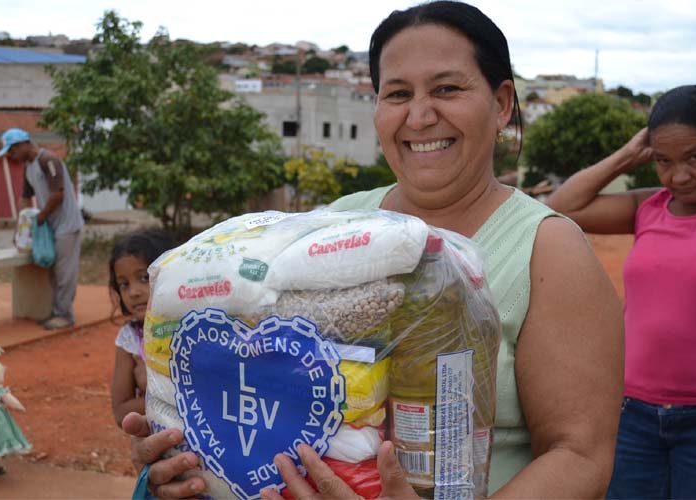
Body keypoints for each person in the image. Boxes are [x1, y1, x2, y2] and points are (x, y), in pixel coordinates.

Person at [124, 2, 625, 498]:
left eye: (447, 89)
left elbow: (580, 456)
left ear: (501, 104)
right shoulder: (339, 224)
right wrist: (187, 458)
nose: (421, 116)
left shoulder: (547, 248)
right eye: (398, 93)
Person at [548, 85, 696, 499]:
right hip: (633, 418)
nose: (678, 176)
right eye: (664, 161)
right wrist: (627, 156)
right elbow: (563, 205)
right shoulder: (647, 207)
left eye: (694, 157)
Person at [0, 128, 84, 330]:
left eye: (11, 151)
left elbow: (58, 194)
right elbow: (25, 199)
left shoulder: (49, 160)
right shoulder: (29, 168)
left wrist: (40, 217)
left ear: (22, 145)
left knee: (65, 272)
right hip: (52, 226)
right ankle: (56, 311)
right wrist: (21, 228)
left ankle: (65, 315)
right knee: (53, 272)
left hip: (67, 225)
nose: (11, 156)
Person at [109, 230, 175, 427]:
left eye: (144, 278)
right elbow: (121, 412)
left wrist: (156, 389)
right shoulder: (130, 339)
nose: (134, 292)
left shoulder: (193, 326)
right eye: (124, 284)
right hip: (158, 446)